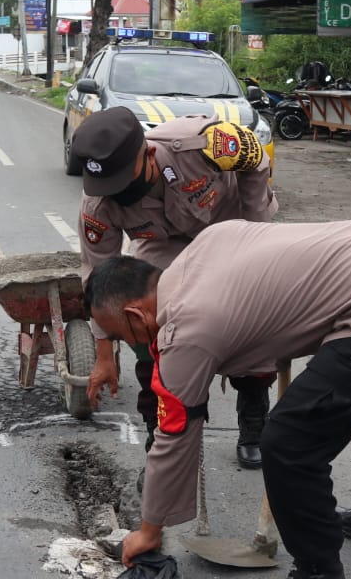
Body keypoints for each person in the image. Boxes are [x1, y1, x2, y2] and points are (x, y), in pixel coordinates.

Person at [85, 219, 351, 579]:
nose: (131, 344)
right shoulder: (204, 248)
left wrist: (149, 529)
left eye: (123, 336)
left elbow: (174, 432)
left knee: (288, 441)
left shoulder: (186, 327)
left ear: (135, 315)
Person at [72, 107, 277, 468]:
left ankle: (254, 416)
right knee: (147, 320)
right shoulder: (98, 204)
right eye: (108, 188)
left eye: (124, 183)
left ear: (149, 155)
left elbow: (256, 160)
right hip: (163, 243)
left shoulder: (203, 144)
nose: (118, 196)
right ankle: (161, 435)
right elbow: (100, 282)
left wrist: (255, 232)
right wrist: (105, 355)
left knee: (250, 317)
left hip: (228, 225)